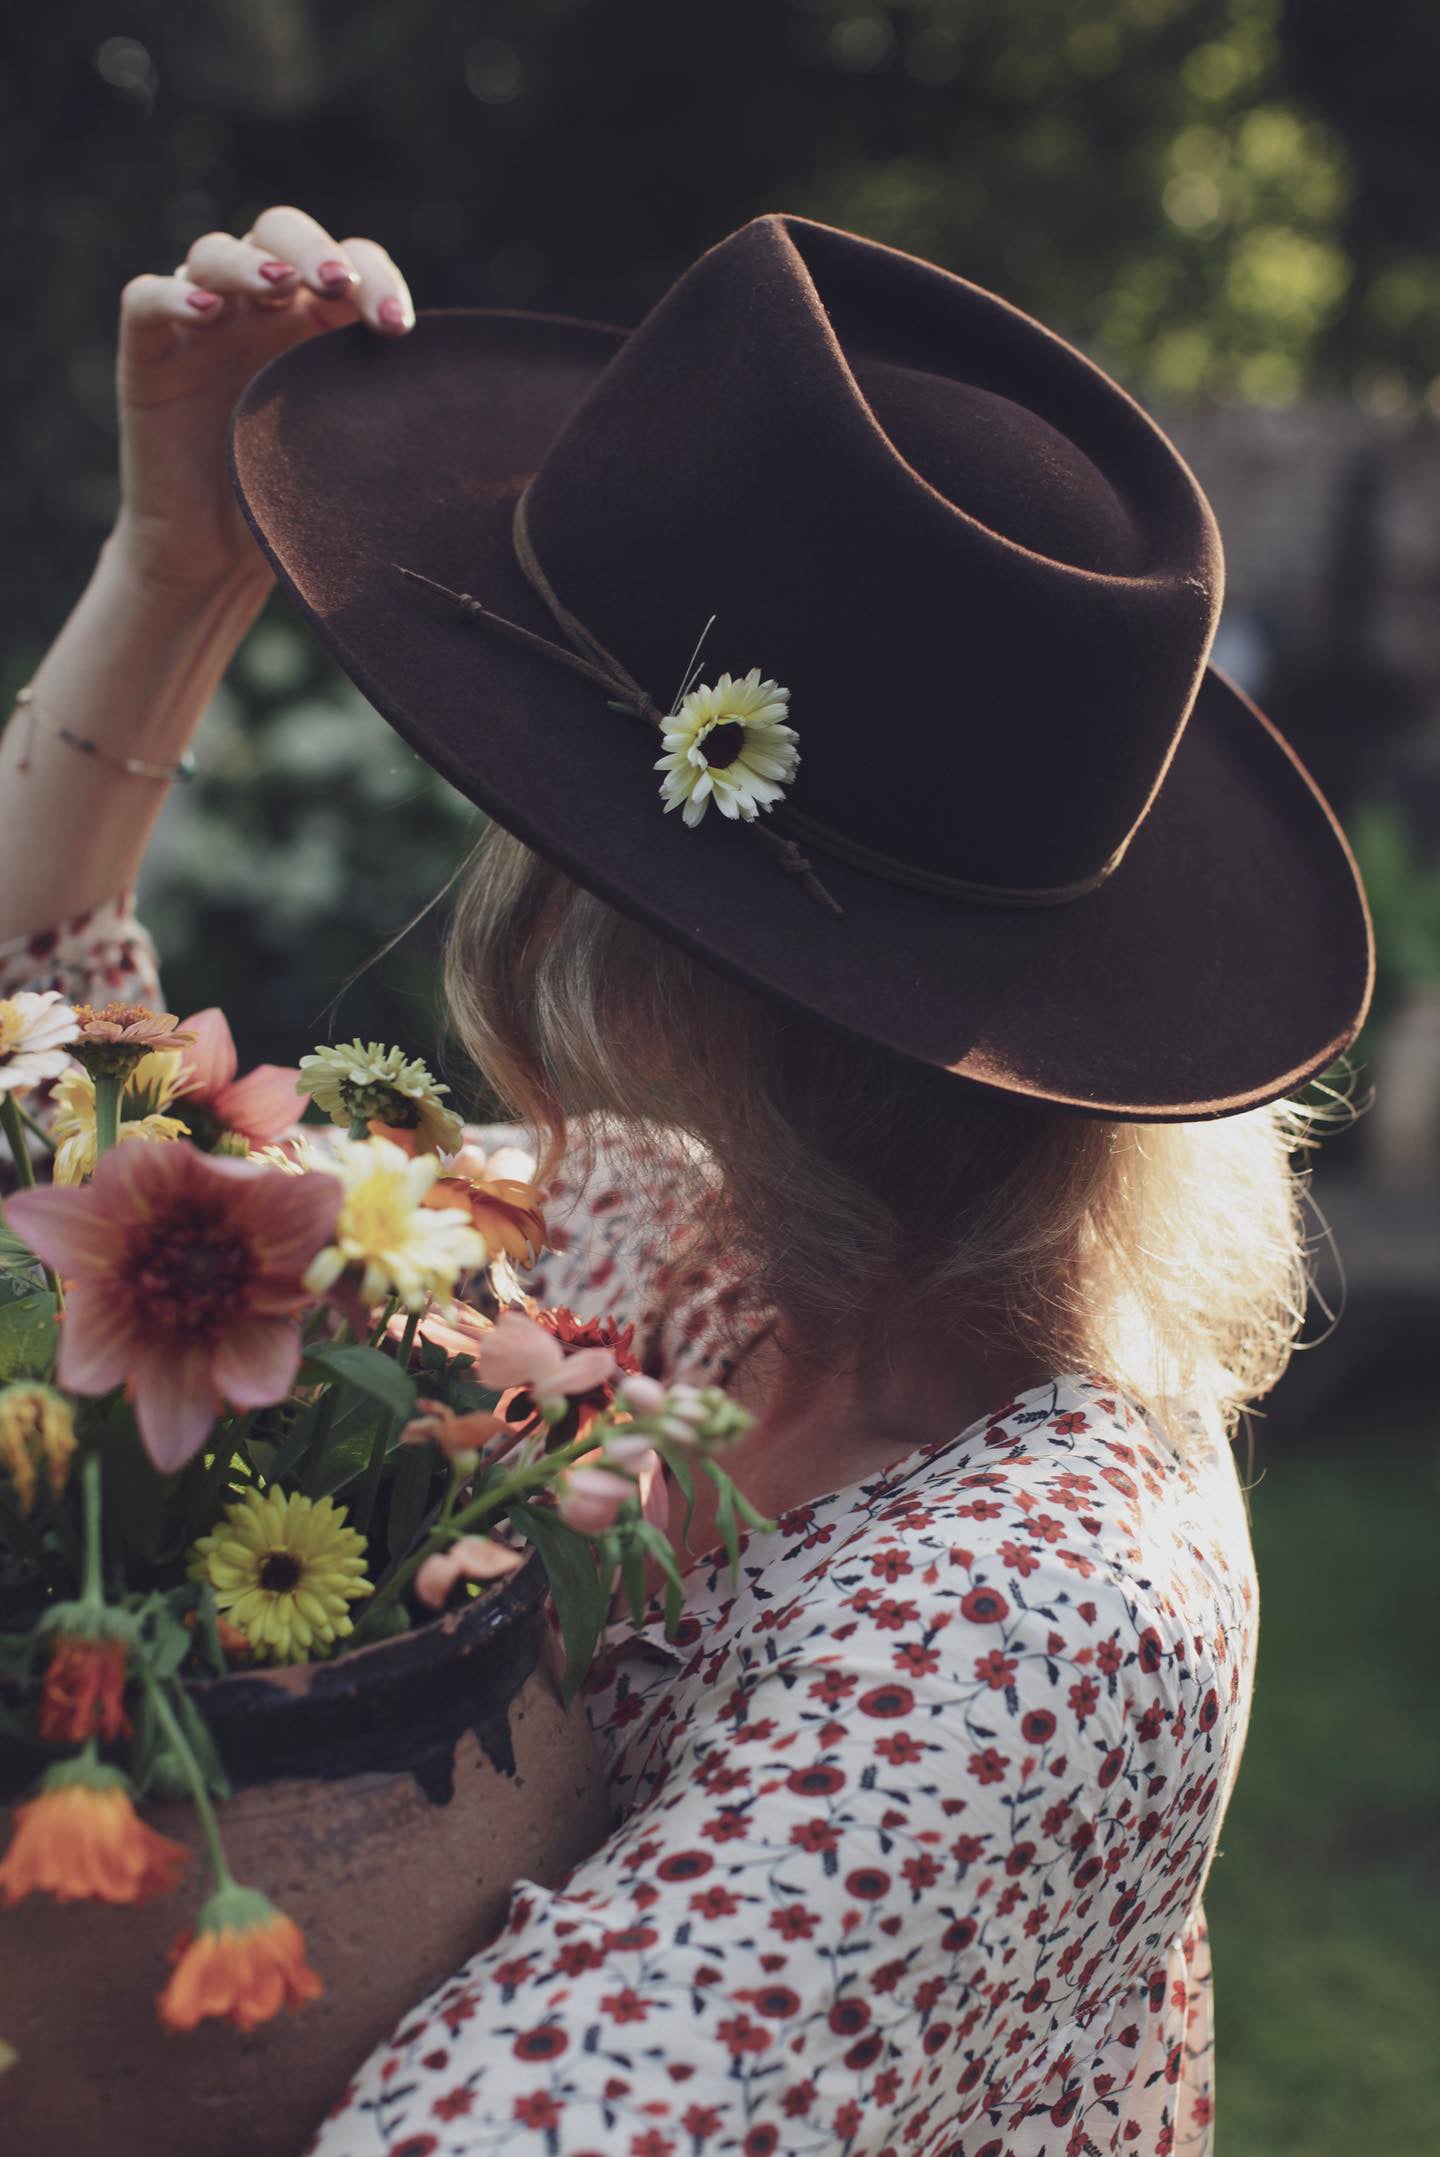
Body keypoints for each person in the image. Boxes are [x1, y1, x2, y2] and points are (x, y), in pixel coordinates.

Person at [0, 202, 1372, 2157]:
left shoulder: (1021, 1616)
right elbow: (85, 1140)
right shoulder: (694, 1234)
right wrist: (171, 568)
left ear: (631, 928)